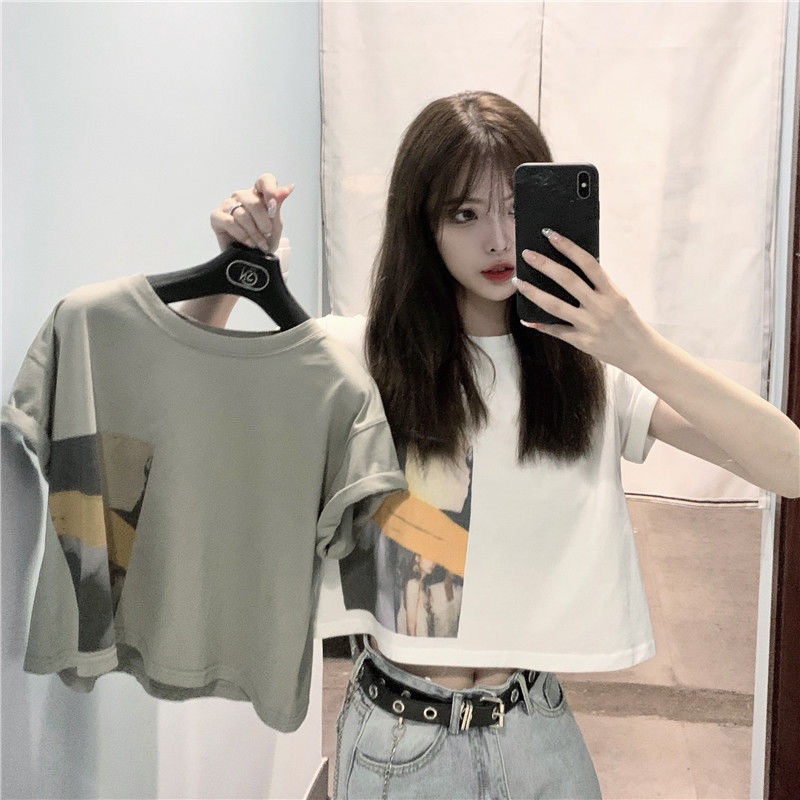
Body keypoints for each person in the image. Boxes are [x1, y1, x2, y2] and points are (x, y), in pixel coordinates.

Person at [188, 91, 799, 799]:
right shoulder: (363, 358)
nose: (499, 240)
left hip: (538, 730)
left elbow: (788, 465)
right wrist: (230, 271)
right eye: (465, 214)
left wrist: (637, 347)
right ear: (424, 226)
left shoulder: (583, 375)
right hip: (400, 742)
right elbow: (196, 402)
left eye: (515, 207)